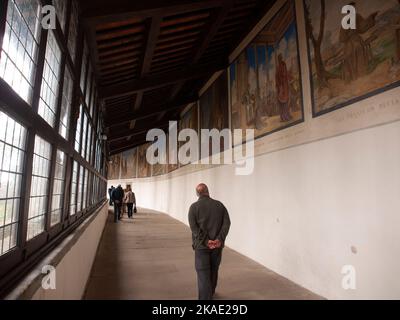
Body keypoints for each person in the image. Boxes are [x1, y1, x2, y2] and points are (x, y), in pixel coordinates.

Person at [188, 183, 231, 300]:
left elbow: (194, 228)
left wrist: (206, 242)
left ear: (197, 194)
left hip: (201, 247)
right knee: (214, 269)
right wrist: (219, 239)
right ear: (208, 191)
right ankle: (211, 292)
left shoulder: (193, 207)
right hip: (217, 247)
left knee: (203, 273)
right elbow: (227, 223)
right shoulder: (219, 205)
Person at [339, 2, 377, 82]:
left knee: (360, 58)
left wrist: (371, 18)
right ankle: (355, 80)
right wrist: (349, 34)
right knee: (352, 61)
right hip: (349, 45)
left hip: (358, 41)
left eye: (354, 8)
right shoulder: (345, 21)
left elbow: (362, 29)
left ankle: (363, 77)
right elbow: (341, 38)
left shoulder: (357, 17)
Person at [275, 53, 292, 122]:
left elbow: (286, 73)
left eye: (281, 58)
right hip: (281, 87)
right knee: (282, 102)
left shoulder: (283, 64)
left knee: (287, 100)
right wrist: (279, 87)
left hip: (285, 86)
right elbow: (277, 77)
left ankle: (287, 115)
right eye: (279, 58)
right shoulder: (278, 68)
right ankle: (283, 117)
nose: (280, 59)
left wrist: (289, 77)